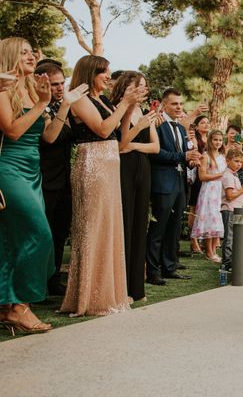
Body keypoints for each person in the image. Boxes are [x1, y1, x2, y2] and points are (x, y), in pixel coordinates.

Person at [0, 37, 87, 333]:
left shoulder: (29, 88)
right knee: (40, 234)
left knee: (14, 240)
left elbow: (48, 136)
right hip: (9, 169)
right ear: (10, 55)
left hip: (32, 170)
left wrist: (60, 105)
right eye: (24, 52)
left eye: (31, 52)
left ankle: (9, 306)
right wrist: (41, 103)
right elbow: (12, 131)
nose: (31, 56)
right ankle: (21, 306)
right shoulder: (4, 88)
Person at [60, 55, 144, 316]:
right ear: (90, 73)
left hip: (109, 165)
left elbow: (120, 132)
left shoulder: (103, 100)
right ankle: (89, 297)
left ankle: (110, 292)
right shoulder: (80, 100)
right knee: (93, 228)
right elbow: (104, 129)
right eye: (103, 72)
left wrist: (130, 105)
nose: (108, 77)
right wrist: (125, 104)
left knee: (110, 227)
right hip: (92, 165)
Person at [111, 71, 160, 302]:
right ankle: (123, 288)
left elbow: (155, 148)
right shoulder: (119, 108)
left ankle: (136, 288)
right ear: (127, 87)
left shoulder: (144, 112)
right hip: (124, 168)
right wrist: (136, 129)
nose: (143, 89)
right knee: (126, 223)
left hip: (143, 167)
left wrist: (135, 146)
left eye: (144, 85)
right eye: (139, 86)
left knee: (141, 224)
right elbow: (120, 145)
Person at [146, 88, 200, 285]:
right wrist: (182, 157)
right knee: (158, 229)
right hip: (162, 183)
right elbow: (155, 153)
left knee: (174, 229)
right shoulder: (158, 125)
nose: (179, 107)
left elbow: (184, 153)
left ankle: (170, 267)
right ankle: (152, 271)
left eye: (181, 103)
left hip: (179, 183)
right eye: (174, 104)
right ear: (164, 105)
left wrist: (191, 160)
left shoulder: (180, 128)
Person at [37, 61, 74, 296]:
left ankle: (53, 279)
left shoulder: (64, 107)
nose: (60, 88)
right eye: (54, 84)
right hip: (42, 177)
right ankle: (37, 282)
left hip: (64, 177)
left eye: (62, 83)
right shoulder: (39, 108)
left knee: (60, 232)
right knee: (43, 232)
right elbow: (48, 138)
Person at [191, 130, 226, 262]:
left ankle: (213, 251)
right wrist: (219, 175)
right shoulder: (205, 156)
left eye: (220, 140)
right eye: (215, 140)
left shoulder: (222, 156)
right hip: (209, 191)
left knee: (216, 222)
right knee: (209, 221)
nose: (218, 142)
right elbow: (202, 176)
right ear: (210, 141)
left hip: (219, 191)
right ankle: (209, 252)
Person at [220, 147, 243, 271]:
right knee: (229, 237)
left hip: (237, 209)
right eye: (236, 161)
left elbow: (237, 192)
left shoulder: (235, 175)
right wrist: (242, 190)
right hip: (229, 209)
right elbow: (230, 196)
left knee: (235, 236)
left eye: (240, 162)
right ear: (228, 161)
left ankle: (233, 260)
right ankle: (227, 262)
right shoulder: (228, 175)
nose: (239, 164)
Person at [187, 115, 210, 254]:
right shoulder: (194, 139)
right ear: (197, 126)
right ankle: (193, 240)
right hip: (197, 176)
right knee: (194, 207)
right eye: (202, 122)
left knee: (205, 208)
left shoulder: (211, 139)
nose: (206, 125)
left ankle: (202, 238)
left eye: (207, 122)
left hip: (209, 177)